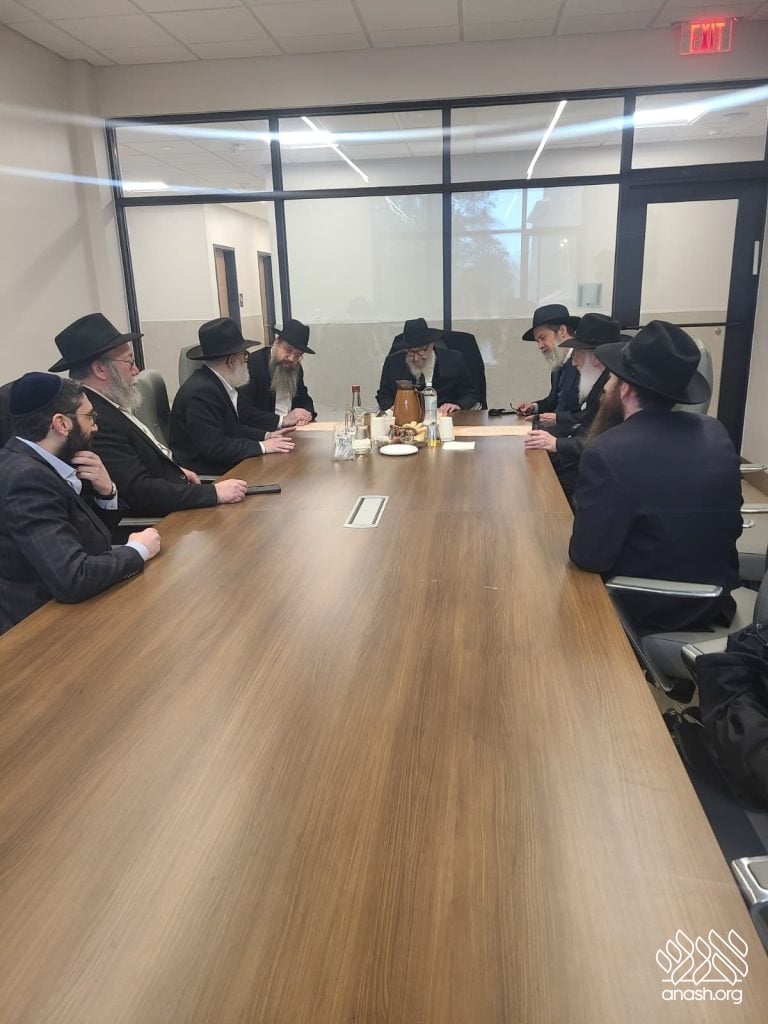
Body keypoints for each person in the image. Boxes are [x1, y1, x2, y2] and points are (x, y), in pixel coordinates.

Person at [569, 321, 742, 634]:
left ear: (625, 388)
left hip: (648, 606)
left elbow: (589, 557)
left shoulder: (607, 452)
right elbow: (733, 524)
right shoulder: (714, 430)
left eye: (612, 378)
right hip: (715, 600)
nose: (606, 387)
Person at [0, 373, 161, 635]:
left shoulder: (36, 461)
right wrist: (137, 550)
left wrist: (106, 492)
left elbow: (81, 539)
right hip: (40, 628)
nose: (95, 427)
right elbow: (74, 577)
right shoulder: (26, 478)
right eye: (90, 416)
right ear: (62, 423)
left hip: (68, 608)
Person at [50, 313, 248, 517]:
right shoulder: (95, 420)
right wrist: (213, 493)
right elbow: (139, 492)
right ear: (100, 370)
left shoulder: (108, 404)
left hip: (178, 496)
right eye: (130, 362)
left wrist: (177, 472)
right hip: (160, 522)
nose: (136, 370)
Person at [169, 317, 295, 475]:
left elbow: (232, 430)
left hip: (226, 466)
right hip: (209, 476)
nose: (246, 362)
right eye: (244, 356)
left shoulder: (215, 383)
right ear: (232, 360)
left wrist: (266, 435)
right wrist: (262, 447)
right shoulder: (201, 393)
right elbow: (215, 448)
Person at [523, 313, 616, 499]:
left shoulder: (613, 390)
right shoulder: (599, 380)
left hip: (596, 471)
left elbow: (600, 439)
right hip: (581, 454)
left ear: (596, 357)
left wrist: (555, 443)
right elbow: (585, 418)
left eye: (578, 355)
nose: (573, 362)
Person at [376, 318, 479, 413]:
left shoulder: (453, 359)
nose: (416, 358)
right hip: (405, 420)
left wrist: (457, 405)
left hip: (445, 417)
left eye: (421, 351)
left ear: (431, 345)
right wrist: (392, 407)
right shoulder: (393, 362)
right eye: (411, 352)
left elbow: (469, 394)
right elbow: (383, 395)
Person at [237, 318, 315, 431]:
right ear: (276, 342)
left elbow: (304, 399)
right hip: (262, 433)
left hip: (292, 431)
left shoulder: (295, 368)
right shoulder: (253, 364)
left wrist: (305, 414)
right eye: (288, 350)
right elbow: (244, 410)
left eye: (298, 355)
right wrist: (282, 421)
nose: (291, 358)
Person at [517, 303, 581, 430]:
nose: (540, 346)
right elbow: (554, 402)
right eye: (537, 341)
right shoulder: (558, 364)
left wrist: (558, 419)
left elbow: (588, 412)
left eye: (543, 338)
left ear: (562, 331)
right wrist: (534, 407)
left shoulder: (583, 362)